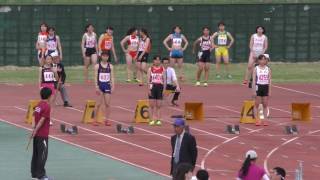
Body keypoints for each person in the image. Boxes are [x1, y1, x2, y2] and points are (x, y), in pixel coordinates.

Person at [30, 87, 53, 180]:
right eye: (51, 95)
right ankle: (41, 175)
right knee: (42, 155)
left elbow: (33, 116)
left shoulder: (39, 105)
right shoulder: (47, 106)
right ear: (49, 96)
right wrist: (35, 131)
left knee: (35, 154)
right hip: (42, 135)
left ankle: (34, 174)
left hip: (36, 135)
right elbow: (42, 121)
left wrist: (33, 129)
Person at [93, 51, 115, 126]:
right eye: (104, 56)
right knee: (98, 104)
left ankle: (107, 120)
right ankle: (95, 120)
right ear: (101, 56)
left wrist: (113, 86)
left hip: (107, 85)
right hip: (100, 86)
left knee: (107, 104)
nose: (105, 57)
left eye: (106, 56)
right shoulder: (97, 66)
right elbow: (95, 77)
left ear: (108, 57)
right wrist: (96, 87)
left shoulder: (111, 66)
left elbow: (112, 77)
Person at [252, 54, 272, 126]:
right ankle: (257, 120)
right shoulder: (256, 69)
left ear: (266, 60)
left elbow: (270, 80)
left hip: (265, 87)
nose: (263, 61)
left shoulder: (268, 69)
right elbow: (254, 80)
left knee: (265, 104)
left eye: (264, 59)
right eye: (261, 59)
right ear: (258, 60)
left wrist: (270, 91)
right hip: (258, 86)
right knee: (257, 104)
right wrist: (254, 90)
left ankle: (265, 120)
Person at [147, 55, 166, 126]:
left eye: (159, 60)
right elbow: (148, 80)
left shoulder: (163, 69)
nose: (157, 61)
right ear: (153, 61)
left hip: (160, 87)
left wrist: (164, 89)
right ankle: (151, 120)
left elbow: (164, 80)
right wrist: (148, 89)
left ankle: (158, 120)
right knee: (151, 105)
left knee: (159, 105)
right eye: (156, 60)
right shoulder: (150, 69)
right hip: (152, 86)